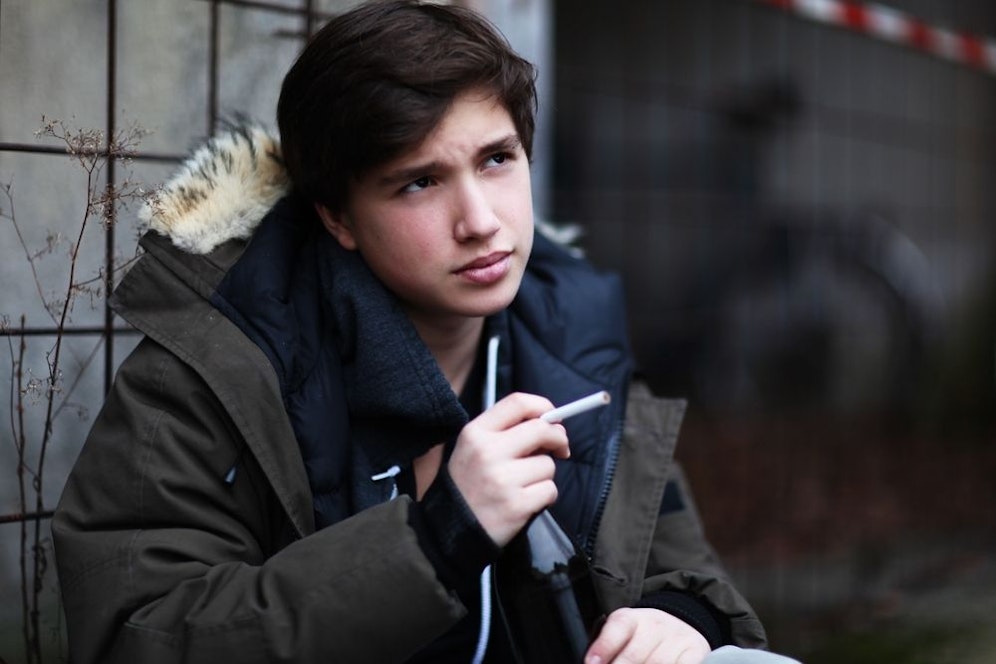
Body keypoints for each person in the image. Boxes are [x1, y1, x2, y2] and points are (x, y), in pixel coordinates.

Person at [52, 1, 780, 662]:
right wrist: (435, 542)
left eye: (496, 160)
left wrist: (682, 620)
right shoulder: (221, 363)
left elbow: (686, 574)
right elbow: (136, 636)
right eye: (420, 182)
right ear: (337, 216)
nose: (481, 221)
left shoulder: (573, 336)